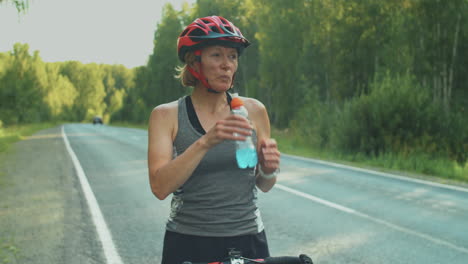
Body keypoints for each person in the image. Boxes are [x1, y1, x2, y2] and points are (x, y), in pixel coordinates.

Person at [147, 15, 280, 264]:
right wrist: (207, 141)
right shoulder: (166, 115)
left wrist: (269, 170)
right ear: (194, 62)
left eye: (232, 56)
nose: (226, 64)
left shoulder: (255, 111)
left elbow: (263, 184)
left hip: (249, 239)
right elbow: (159, 187)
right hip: (189, 242)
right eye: (216, 55)